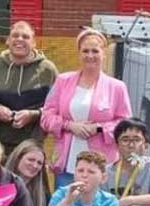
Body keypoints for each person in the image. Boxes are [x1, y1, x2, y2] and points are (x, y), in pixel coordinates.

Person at [40, 28, 131, 186]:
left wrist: (99, 128)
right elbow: (46, 117)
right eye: (85, 51)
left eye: (95, 51)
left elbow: (125, 124)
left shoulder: (117, 87)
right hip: (67, 165)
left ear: (104, 53)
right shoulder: (62, 81)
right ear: (79, 53)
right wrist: (69, 125)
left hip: (103, 166)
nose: (90, 56)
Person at [0, 21, 58, 155]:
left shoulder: (47, 71)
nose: (19, 40)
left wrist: (33, 115)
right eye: (15, 36)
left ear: (34, 43)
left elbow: (59, 108)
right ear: (8, 40)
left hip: (32, 147)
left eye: (25, 37)